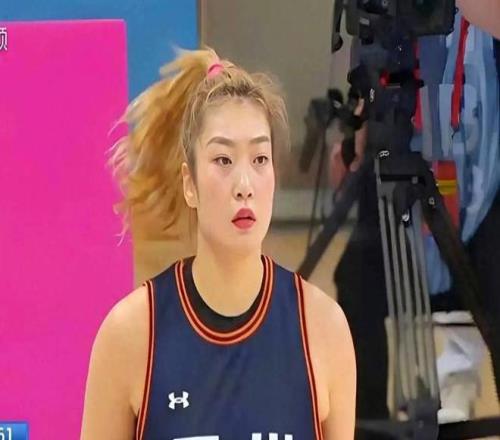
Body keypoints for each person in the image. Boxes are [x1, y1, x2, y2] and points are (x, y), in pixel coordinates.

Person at [80, 48, 356, 440]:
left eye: (259, 159)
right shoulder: (130, 334)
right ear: (189, 183)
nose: (245, 185)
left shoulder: (324, 328)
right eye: (223, 160)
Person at [329, 0, 500, 426]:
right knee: (356, 280)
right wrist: (357, 128)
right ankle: (367, 427)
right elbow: (371, 53)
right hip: (402, 161)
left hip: (486, 177)